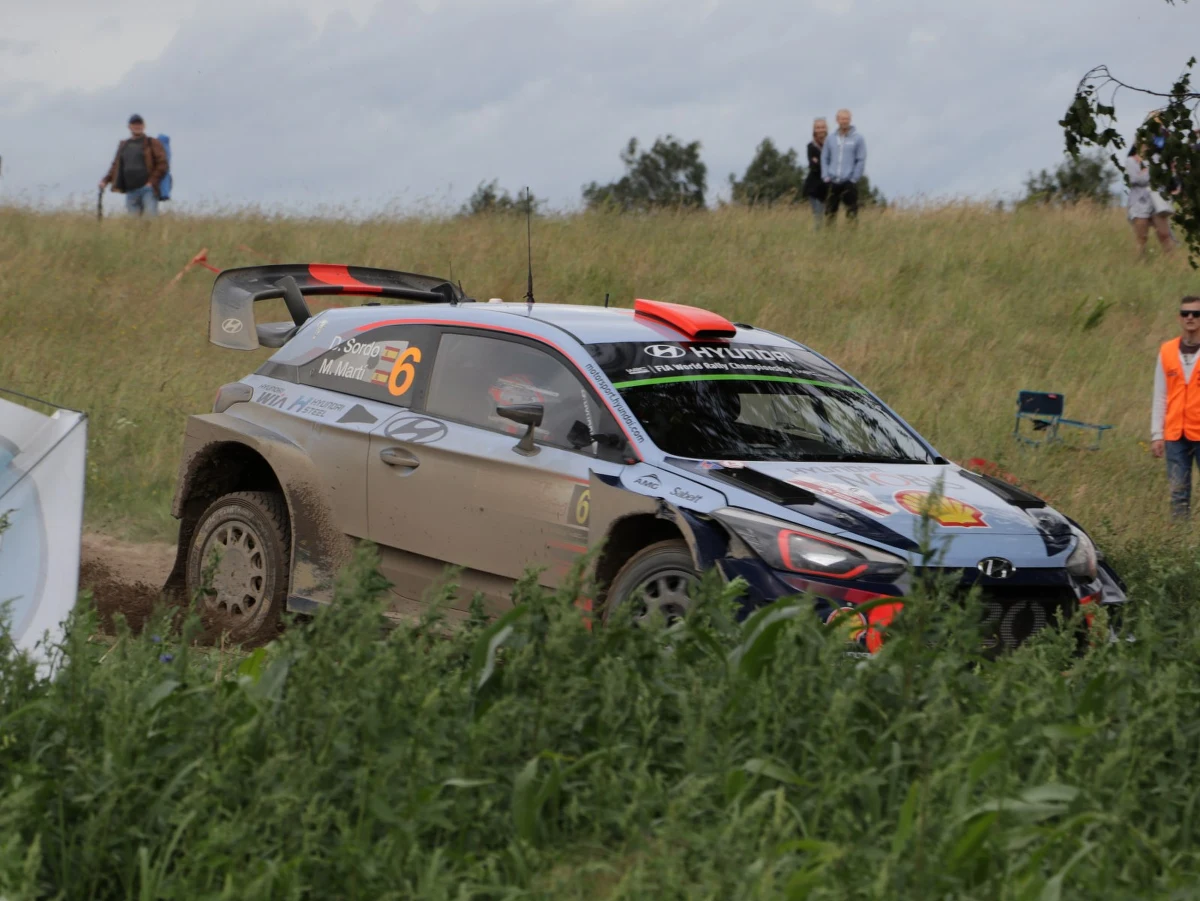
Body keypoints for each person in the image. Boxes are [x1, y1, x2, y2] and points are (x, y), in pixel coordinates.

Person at [1151, 295, 1200, 518]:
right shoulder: (1167, 351)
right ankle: (1180, 546)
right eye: (1185, 313)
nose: (1190, 318)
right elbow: (1160, 395)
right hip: (1174, 434)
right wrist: (1156, 434)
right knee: (1178, 492)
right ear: (1179, 318)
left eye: (1196, 314)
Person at [99, 114, 169, 217]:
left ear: (144, 126)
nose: (137, 126)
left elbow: (162, 163)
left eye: (139, 124)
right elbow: (115, 166)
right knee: (134, 225)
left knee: (150, 221)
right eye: (134, 124)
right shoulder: (124, 145)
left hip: (148, 190)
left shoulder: (152, 143)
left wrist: (151, 182)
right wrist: (105, 180)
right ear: (129, 127)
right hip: (130, 190)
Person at [1126, 145, 1174, 257]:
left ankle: (1172, 260)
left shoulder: (1157, 157)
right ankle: (1140, 261)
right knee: (1142, 237)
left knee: (1164, 234)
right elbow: (1134, 179)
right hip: (1139, 201)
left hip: (1157, 200)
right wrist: (1150, 172)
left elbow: (1163, 175)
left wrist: (1144, 172)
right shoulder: (1131, 160)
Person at [820, 109, 867, 222]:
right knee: (830, 214)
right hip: (832, 181)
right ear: (837, 120)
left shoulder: (858, 138)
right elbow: (824, 157)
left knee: (851, 214)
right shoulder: (830, 139)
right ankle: (829, 237)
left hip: (849, 182)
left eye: (846, 119)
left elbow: (860, 159)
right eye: (842, 119)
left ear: (850, 120)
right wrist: (826, 176)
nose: (844, 121)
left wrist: (854, 178)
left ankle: (851, 236)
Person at [803, 118, 828, 227]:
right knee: (818, 217)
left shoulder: (831, 145)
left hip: (827, 187)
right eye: (818, 127)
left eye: (822, 127)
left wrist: (819, 162)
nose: (820, 130)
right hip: (814, 187)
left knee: (829, 216)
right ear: (814, 130)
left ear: (826, 128)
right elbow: (814, 167)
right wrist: (826, 164)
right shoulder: (811, 146)